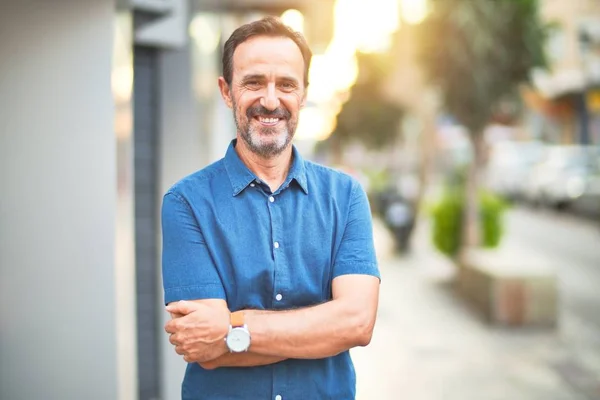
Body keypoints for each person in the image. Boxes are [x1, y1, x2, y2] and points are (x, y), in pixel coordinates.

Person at [161, 16, 380, 400]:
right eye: (254, 82)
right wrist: (318, 329)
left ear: (304, 93)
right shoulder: (185, 203)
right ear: (226, 91)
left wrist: (233, 327)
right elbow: (204, 349)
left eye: (286, 84)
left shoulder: (346, 196)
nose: (270, 100)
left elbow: (357, 323)